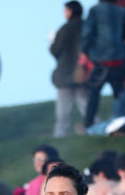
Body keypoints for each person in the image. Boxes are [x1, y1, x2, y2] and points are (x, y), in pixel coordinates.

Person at [81, 0, 125, 127]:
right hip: (119, 59)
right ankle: (124, 123)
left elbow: (87, 33)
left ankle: (88, 124)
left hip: (101, 60)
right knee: (120, 95)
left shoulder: (95, 10)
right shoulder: (121, 11)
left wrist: (84, 50)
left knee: (93, 95)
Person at [51, 1, 88, 138]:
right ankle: (97, 130)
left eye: (65, 11)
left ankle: (60, 136)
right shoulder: (86, 26)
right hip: (83, 72)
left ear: (71, 11)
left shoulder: (65, 29)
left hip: (65, 74)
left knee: (62, 113)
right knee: (86, 107)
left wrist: (52, 41)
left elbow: (55, 50)